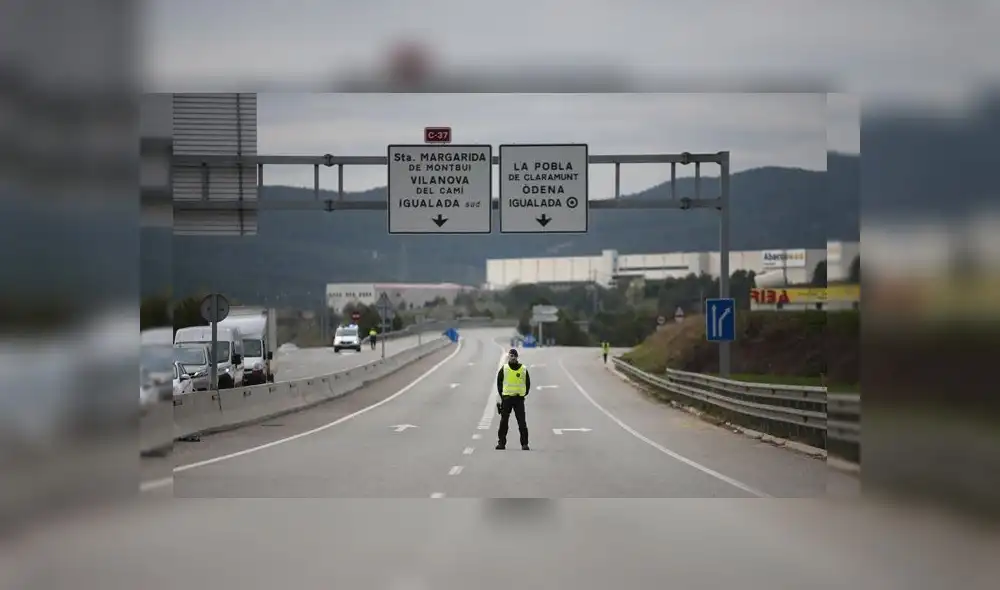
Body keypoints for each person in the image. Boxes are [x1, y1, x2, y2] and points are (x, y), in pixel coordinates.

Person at [495, 348, 530, 450]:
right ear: (508, 357)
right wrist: (502, 395)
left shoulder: (523, 369)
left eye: (514, 356)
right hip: (507, 399)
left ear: (517, 357)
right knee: (504, 422)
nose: (512, 358)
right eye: (511, 356)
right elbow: (499, 383)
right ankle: (501, 443)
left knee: (522, 423)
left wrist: (523, 394)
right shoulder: (504, 369)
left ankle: (524, 444)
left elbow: (527, 383)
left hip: (519, 399)